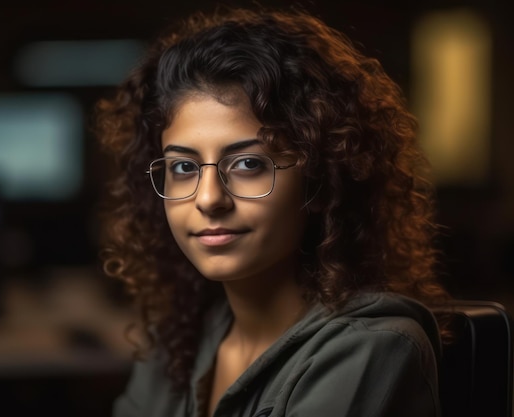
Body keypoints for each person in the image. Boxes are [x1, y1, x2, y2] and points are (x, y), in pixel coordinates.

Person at [94, 5, 450, 417]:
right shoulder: (178, 340)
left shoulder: (372, 348)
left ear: (319, 180)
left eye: (248, 164)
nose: (209, 199)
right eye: (184, 167)